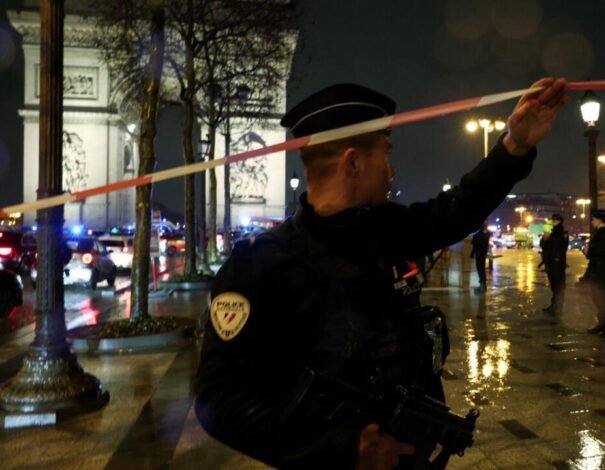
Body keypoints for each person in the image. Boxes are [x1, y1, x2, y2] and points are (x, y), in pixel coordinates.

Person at [195, 78, 568, 468]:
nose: (392, 169)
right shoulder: (261, 264)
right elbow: (220, 401)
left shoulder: (383, 230)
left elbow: (456, 210)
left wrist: (515, 146)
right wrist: (343, 451)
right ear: (353, 162)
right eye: (386, 154)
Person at [581, 209, 605, 337]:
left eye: (593, 219)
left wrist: (589, 251)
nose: (591, 222)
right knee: (597, 298)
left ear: (599, 220)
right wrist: (588, 252)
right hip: (595, 269)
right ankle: (602, 324)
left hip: (602, 270)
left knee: (602, 297)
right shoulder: (598, 233)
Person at [542, 214, 568, 316]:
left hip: (555, 262)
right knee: (557, 286)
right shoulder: (560, 232)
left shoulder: (557, 233)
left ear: (557, 221)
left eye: (553, 220)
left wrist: (545, 239)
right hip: (557, 262)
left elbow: (551, 247)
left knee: (557, 286)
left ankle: (556, 308)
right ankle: (555, 306)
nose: (552, 222)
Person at [470, 223, 491, 293]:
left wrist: (472, 254)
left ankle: (482, 286)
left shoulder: (477, 235)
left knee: (480, 270)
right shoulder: (486, 234)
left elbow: (475, 244)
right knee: (482, 269)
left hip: (479, 255)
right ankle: (483, 286)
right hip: (483, 254)